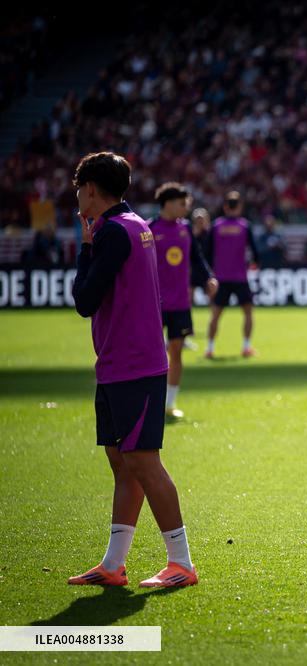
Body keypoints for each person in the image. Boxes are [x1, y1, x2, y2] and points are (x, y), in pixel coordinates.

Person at [68, 151, 197, 588]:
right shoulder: (136, 225)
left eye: (77, 188)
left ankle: (181, 562)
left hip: (132, 365)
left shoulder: (110, 234)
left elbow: (85, 300)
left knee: (142, 460)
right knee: (121, 461)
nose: (76, 197)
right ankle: (113, 564)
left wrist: (84, 250)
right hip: (120, 363)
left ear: (89, 189)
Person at [149, 182, 218, 419]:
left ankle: (169, 403)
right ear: (167, 203)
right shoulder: (149, 229)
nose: (187, 207)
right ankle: (148, 401)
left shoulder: (185, 229)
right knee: (150, 354)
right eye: (182, 203)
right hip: (153, 305)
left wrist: (208, 277)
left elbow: (196, 258)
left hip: (179, 303)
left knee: (176, 352)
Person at [204, 191, 260, 359]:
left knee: (215, 315)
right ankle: (246, 347)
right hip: (240, 277)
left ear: (225, 207)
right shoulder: (245, 226)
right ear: (240, 206)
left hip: (220, 277)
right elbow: (255, 252)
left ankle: (210, 348)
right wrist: (253, 264)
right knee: (248, 313)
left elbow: (207, 252)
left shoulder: (216, 226)